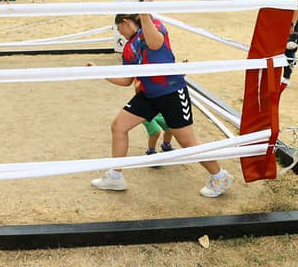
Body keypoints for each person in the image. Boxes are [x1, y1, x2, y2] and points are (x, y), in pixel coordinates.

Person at [85, 14, 233, 197]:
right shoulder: (128, 48)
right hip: (148, 94)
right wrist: (99, 71)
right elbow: (125, 80)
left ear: (125, 22)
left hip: (171, 92)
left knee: (188, 142)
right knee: (119, 126)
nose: (119, 33)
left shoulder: (153, 25)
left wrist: (145, 14)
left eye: (118, 28)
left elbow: (155, 44)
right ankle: (115, 176)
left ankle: (220, 176)